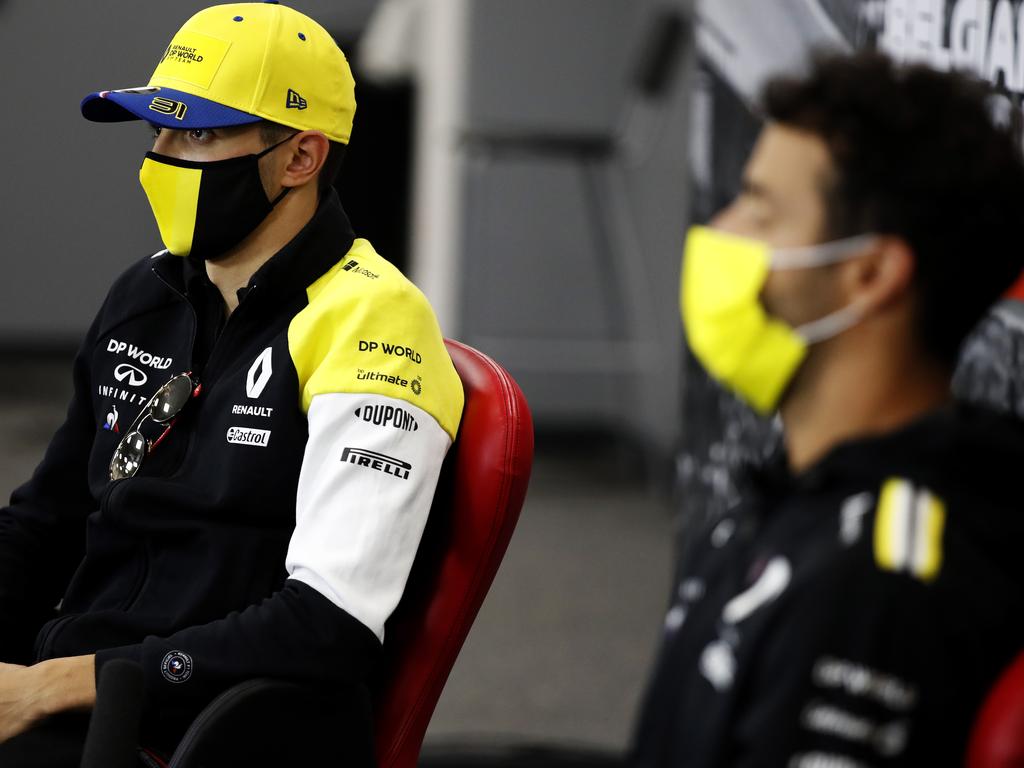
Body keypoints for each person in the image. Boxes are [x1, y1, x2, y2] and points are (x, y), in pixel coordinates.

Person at [0, 2, 464, 764]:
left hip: (217, 727)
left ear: (300, 158)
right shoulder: (144, 295)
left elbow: (328, 625)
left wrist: (59, 685)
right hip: (84, 690)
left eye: (200, 133)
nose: (160, 157)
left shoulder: (374, 324)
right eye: (158, 129)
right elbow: (46, 522)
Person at [631, 51, 1024, 767]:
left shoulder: (876, 588)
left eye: (761, 208)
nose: (722, 228)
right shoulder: (794, 494)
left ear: (869, 275)